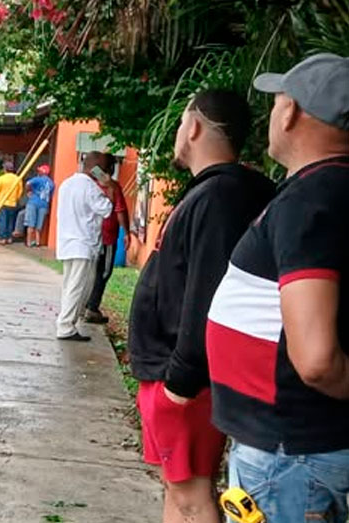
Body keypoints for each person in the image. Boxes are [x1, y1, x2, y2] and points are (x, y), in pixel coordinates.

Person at [205, 54, 349, 521]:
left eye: (277, 101)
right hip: (289, 449)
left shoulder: (315, 199)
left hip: (292, 457)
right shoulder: (322, 190)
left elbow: (317, 360)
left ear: (291, 112)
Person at [128, 89, 276, 523]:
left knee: (192, 495)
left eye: (180, 124)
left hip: (186, 377)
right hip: (174, 370)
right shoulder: (220, 191)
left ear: (193, 126)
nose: (177, 133)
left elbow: (209, 293)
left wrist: (181, 379)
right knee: (180, 491)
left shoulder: (221, 196)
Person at [54, 152, 113, 341]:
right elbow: (107, 209)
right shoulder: (91, 188)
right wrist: (108, 187)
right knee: (78, 287)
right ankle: (66, 327)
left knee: (69, 285)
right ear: (98, 170)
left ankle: (66, 321)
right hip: (83, 243)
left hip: (66, 242)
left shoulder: (67, 184)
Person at [84, 155, 130, 323]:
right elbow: (120, 211)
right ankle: (92, 307)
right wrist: (126, 232)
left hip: (90, 235)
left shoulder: (88, 185)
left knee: (90, 271)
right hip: (107, 236)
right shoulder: (113, 187)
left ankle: (85, 305)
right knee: (103, 272)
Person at [0, 162, 22, 244]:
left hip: (2, 203)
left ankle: (2, 238)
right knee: (10, 221)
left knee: (2, 221)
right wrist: (16, 199)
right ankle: (9, 238)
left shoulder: (1, 179)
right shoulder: (18, 179)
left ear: (5, 169)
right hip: (12, 203)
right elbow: (20, 191)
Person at [25, 164, 54, 247]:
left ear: (42, 172)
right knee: (39, 225)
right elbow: (50, 195)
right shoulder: (51, 183)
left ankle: (29, 242)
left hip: (33, 202)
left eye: (39, 171)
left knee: (31, 224)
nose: (38, 172)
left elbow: (28, 183)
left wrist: (28, 192)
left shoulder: (37, 179)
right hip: (44, 204)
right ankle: (37, 242)